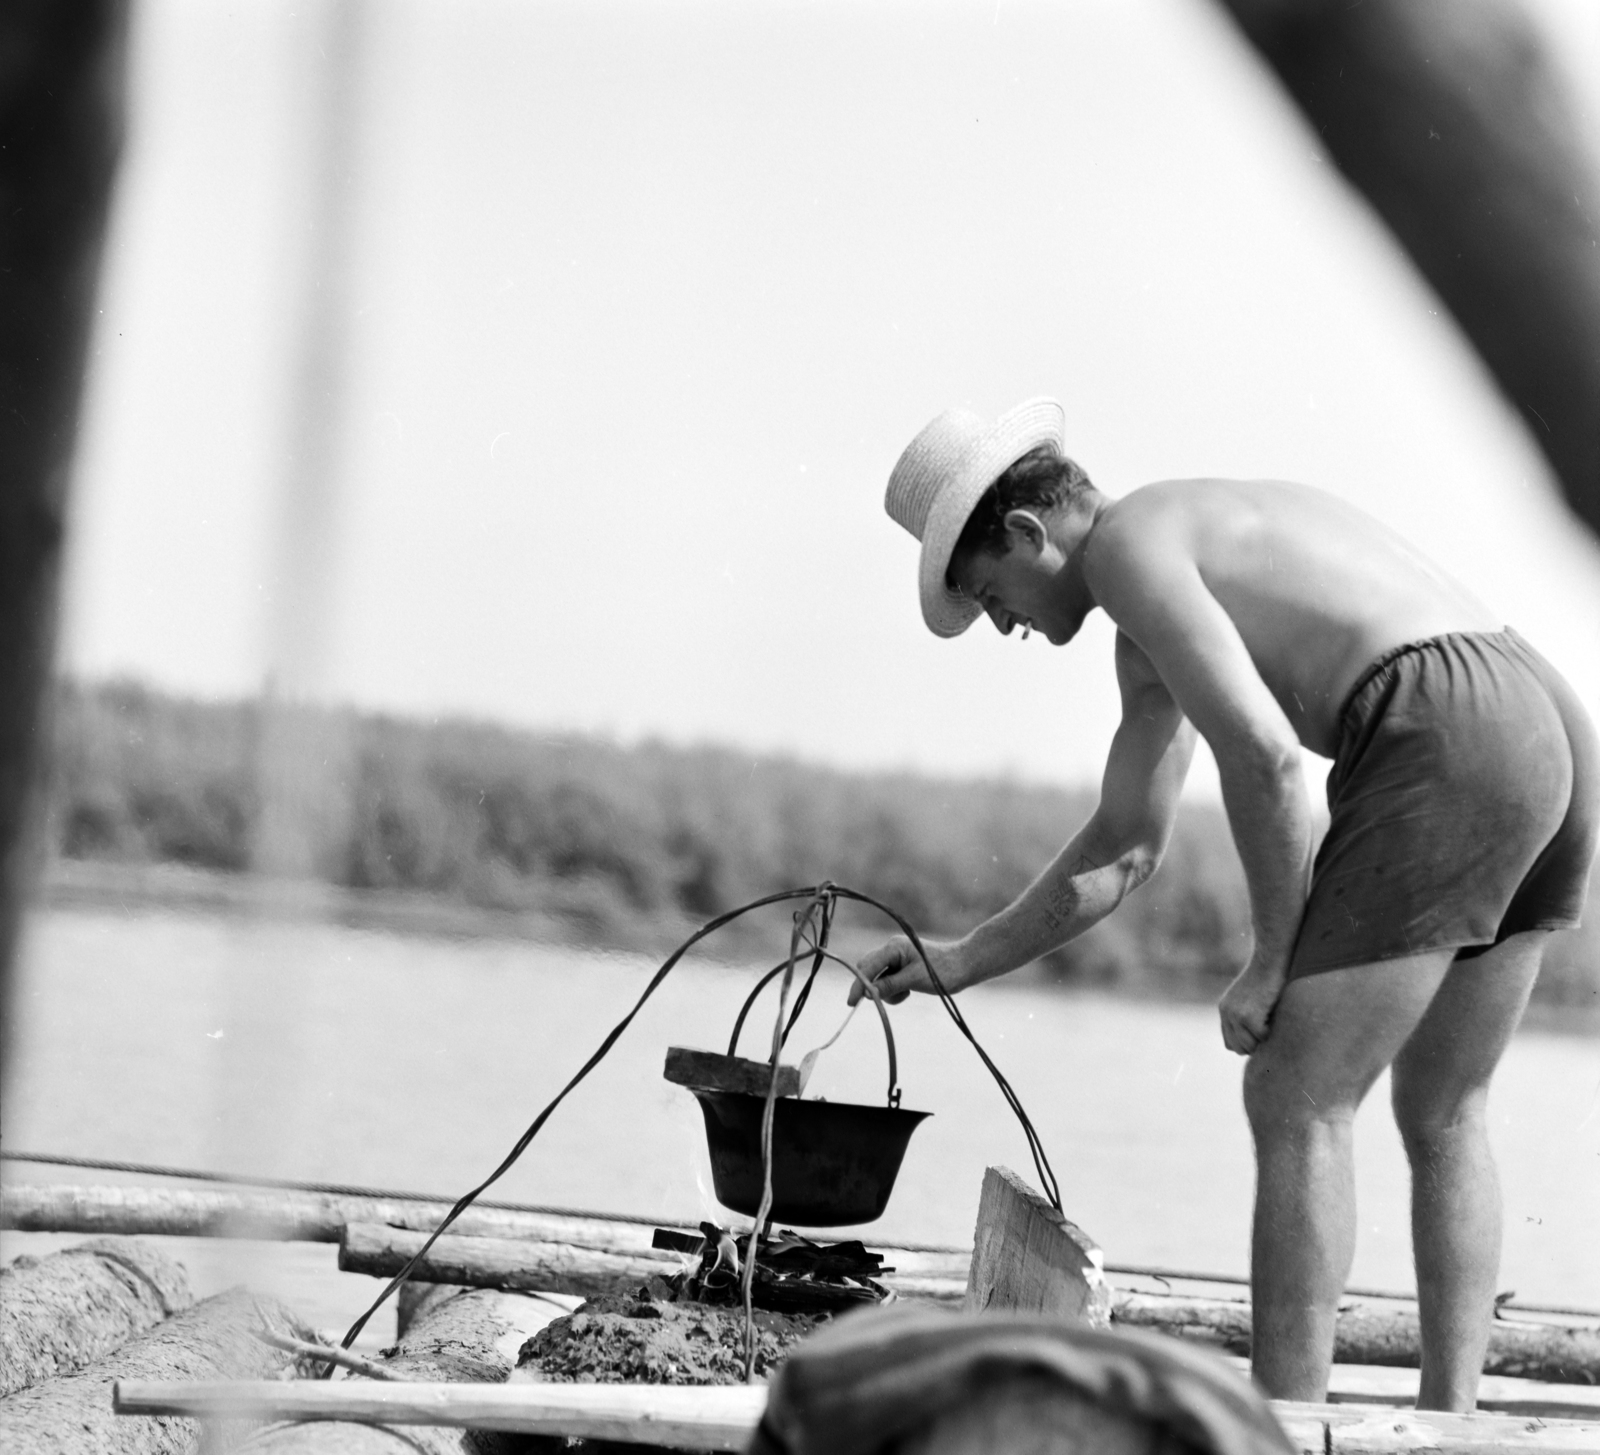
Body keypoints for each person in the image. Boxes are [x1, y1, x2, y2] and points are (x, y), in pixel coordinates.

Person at [856, 397, 1598, 1411]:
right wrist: (963, 958)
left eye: (988, 593)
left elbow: (1262, 755)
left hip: (1444, 727)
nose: (1002, 625)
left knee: (1293, 1094)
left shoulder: (1129, 547)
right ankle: (1449, 1424)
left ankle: (1279, 1427)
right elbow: (1124, 852)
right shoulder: (1171, 578)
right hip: (1540, 713)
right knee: (1441, 1109)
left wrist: (1272, 959)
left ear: (1029, 533)